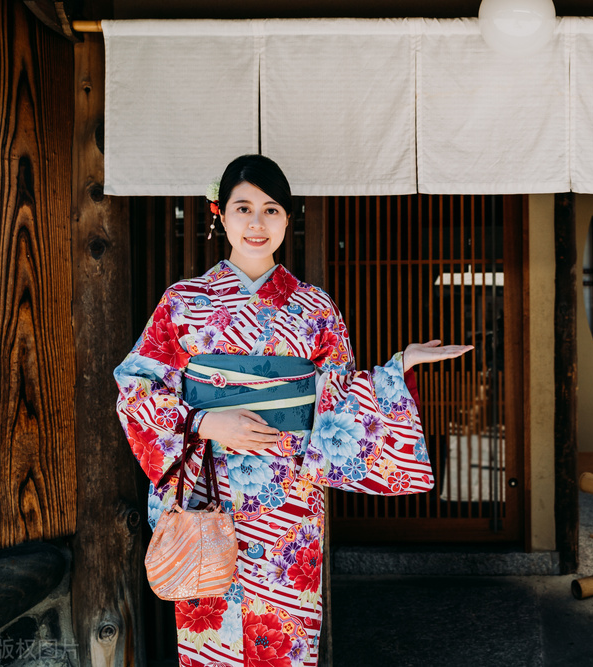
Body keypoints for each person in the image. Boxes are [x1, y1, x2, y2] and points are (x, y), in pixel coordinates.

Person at [114, 154, 472, 667]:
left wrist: (398, 368)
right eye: (243, 208)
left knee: (285, 634)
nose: (256, 223)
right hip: (210, 487)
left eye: (271, 209)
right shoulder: (182, 303)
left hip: (290, 497)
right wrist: (204, 420)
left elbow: (342, 397)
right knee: (209, 621)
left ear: (288, 218)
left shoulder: (316, 308)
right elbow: (135, 385)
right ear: (220, 214)